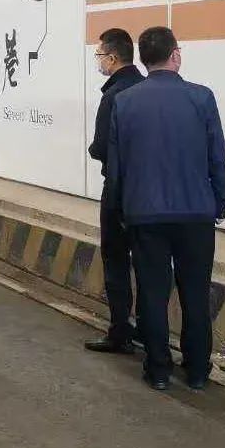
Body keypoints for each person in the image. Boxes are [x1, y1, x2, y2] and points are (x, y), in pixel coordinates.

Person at [108, 26, 225, 392]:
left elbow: (117, 166)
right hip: (195, 212)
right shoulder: (201, 98)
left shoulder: (124, 102)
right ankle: (197, 370)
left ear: (143, 59)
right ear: (175, 54)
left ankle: (159, 369)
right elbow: (217, 156)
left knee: (152, 292)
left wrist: (122, 209)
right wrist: (220, 201)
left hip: (145, 213)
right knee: (195, 292)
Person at [84, 28, 143, 354]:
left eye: (99, 55)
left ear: (112, 57)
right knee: (146, 263)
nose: (98, 61)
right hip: (148, 192)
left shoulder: (114, 96)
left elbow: (101, 146)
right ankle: (147, 330)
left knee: (117, 261)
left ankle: (120, 331)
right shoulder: (145, 89)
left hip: (119, 191)